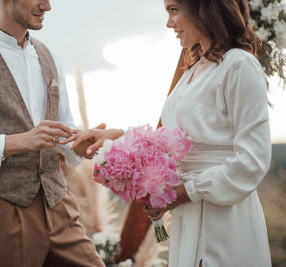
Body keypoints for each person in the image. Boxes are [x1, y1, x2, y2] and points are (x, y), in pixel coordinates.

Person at [64, 0, 272, 266]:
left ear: (204, 8)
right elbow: (172, 139)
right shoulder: (194, 70)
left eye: (174, 10)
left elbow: (252, 162)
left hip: (224, 216)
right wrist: (116, 137)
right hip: (188, 214)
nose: (169, 23)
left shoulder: (239, 65)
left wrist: (181, 193)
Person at [0, 0, 105, 266]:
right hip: (3, 212)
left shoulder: (50, 56)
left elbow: (63, 134)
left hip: (59, 206)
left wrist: (78, 147)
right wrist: (18, 141)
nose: (47, 6)